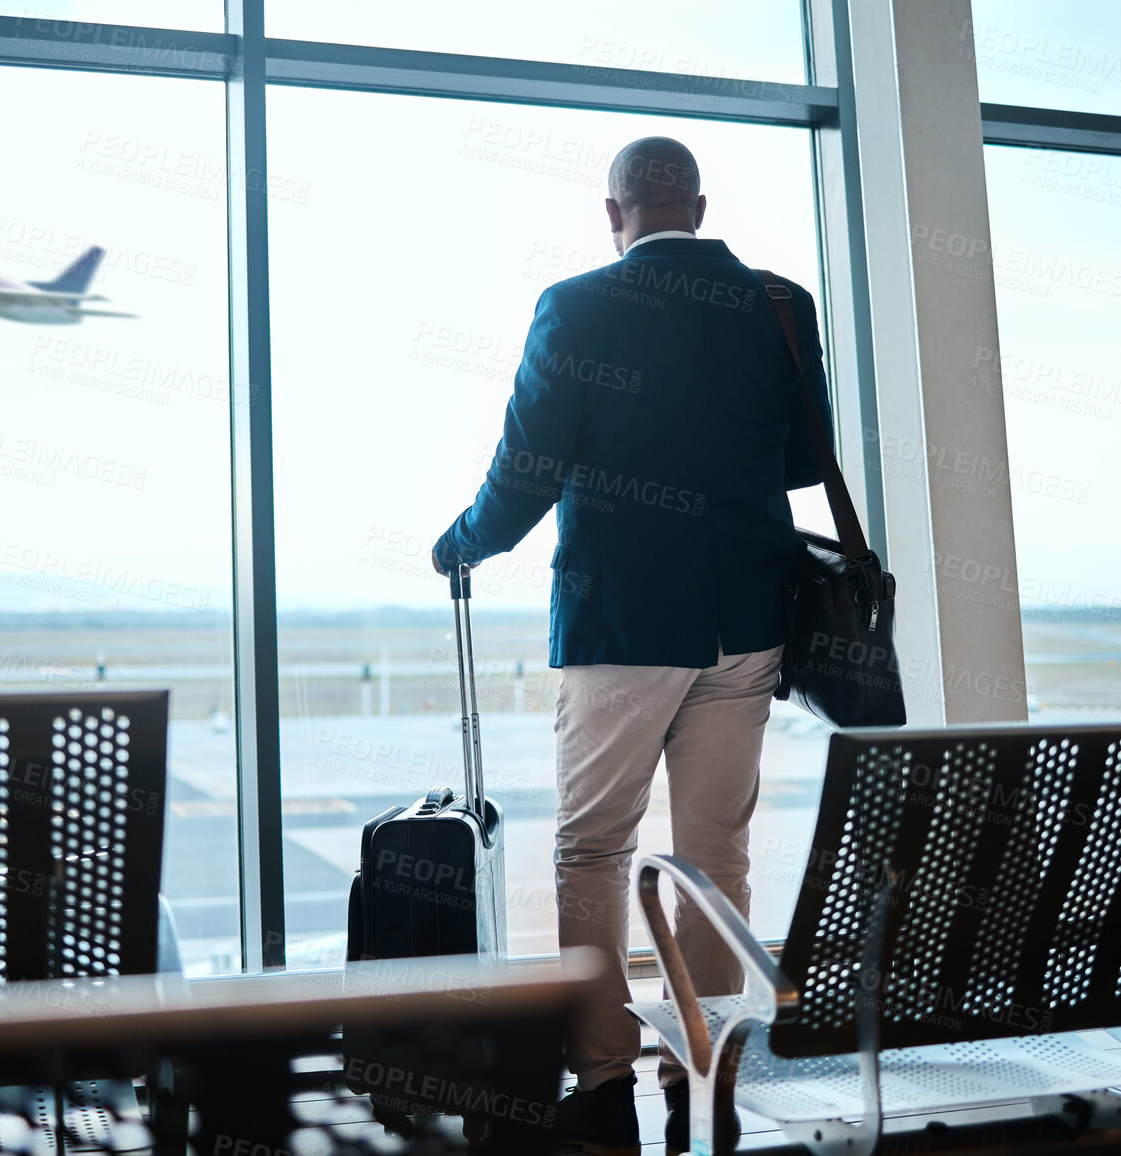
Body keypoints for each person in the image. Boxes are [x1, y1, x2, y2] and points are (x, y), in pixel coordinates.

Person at [430, 136, 832, 1156]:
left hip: (619, 624)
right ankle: (707, 1073)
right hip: (743, 626)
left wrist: (465, 540)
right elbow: (800, 461)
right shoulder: (779, 304)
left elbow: (526, 470)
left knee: (592, 848)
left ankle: (605, 1084)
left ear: (614, 215)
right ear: (697, 206)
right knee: (713, 857)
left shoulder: (575, 306)